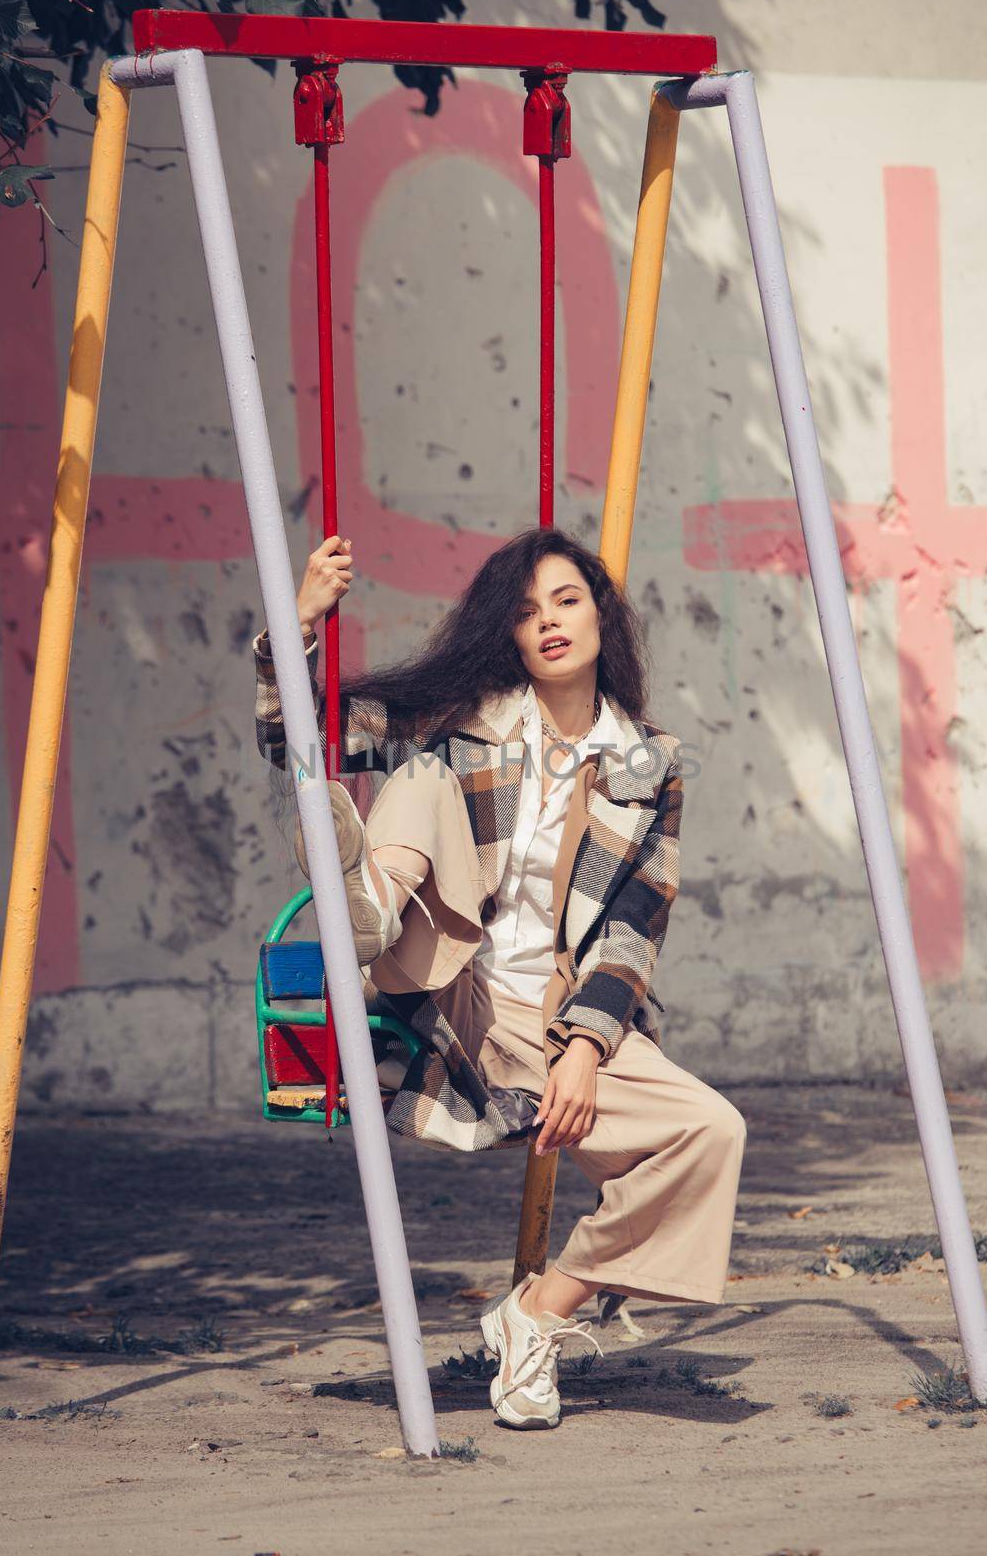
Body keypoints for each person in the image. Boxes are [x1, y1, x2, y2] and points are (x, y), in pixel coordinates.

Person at [252, 525, 747, 1431]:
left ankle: (534, 1317)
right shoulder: (462, 718)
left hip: (547, 1016)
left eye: (566, 601)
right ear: (506, 636)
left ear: (601, 615)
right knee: (427, 778)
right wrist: (300, 621)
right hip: (437, 974)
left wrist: (587, 1046)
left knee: (711, 1133)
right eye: (525, 612)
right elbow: (301, 737)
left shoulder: (649, 765)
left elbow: (636, 924)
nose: (550, 623)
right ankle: (371, 894)